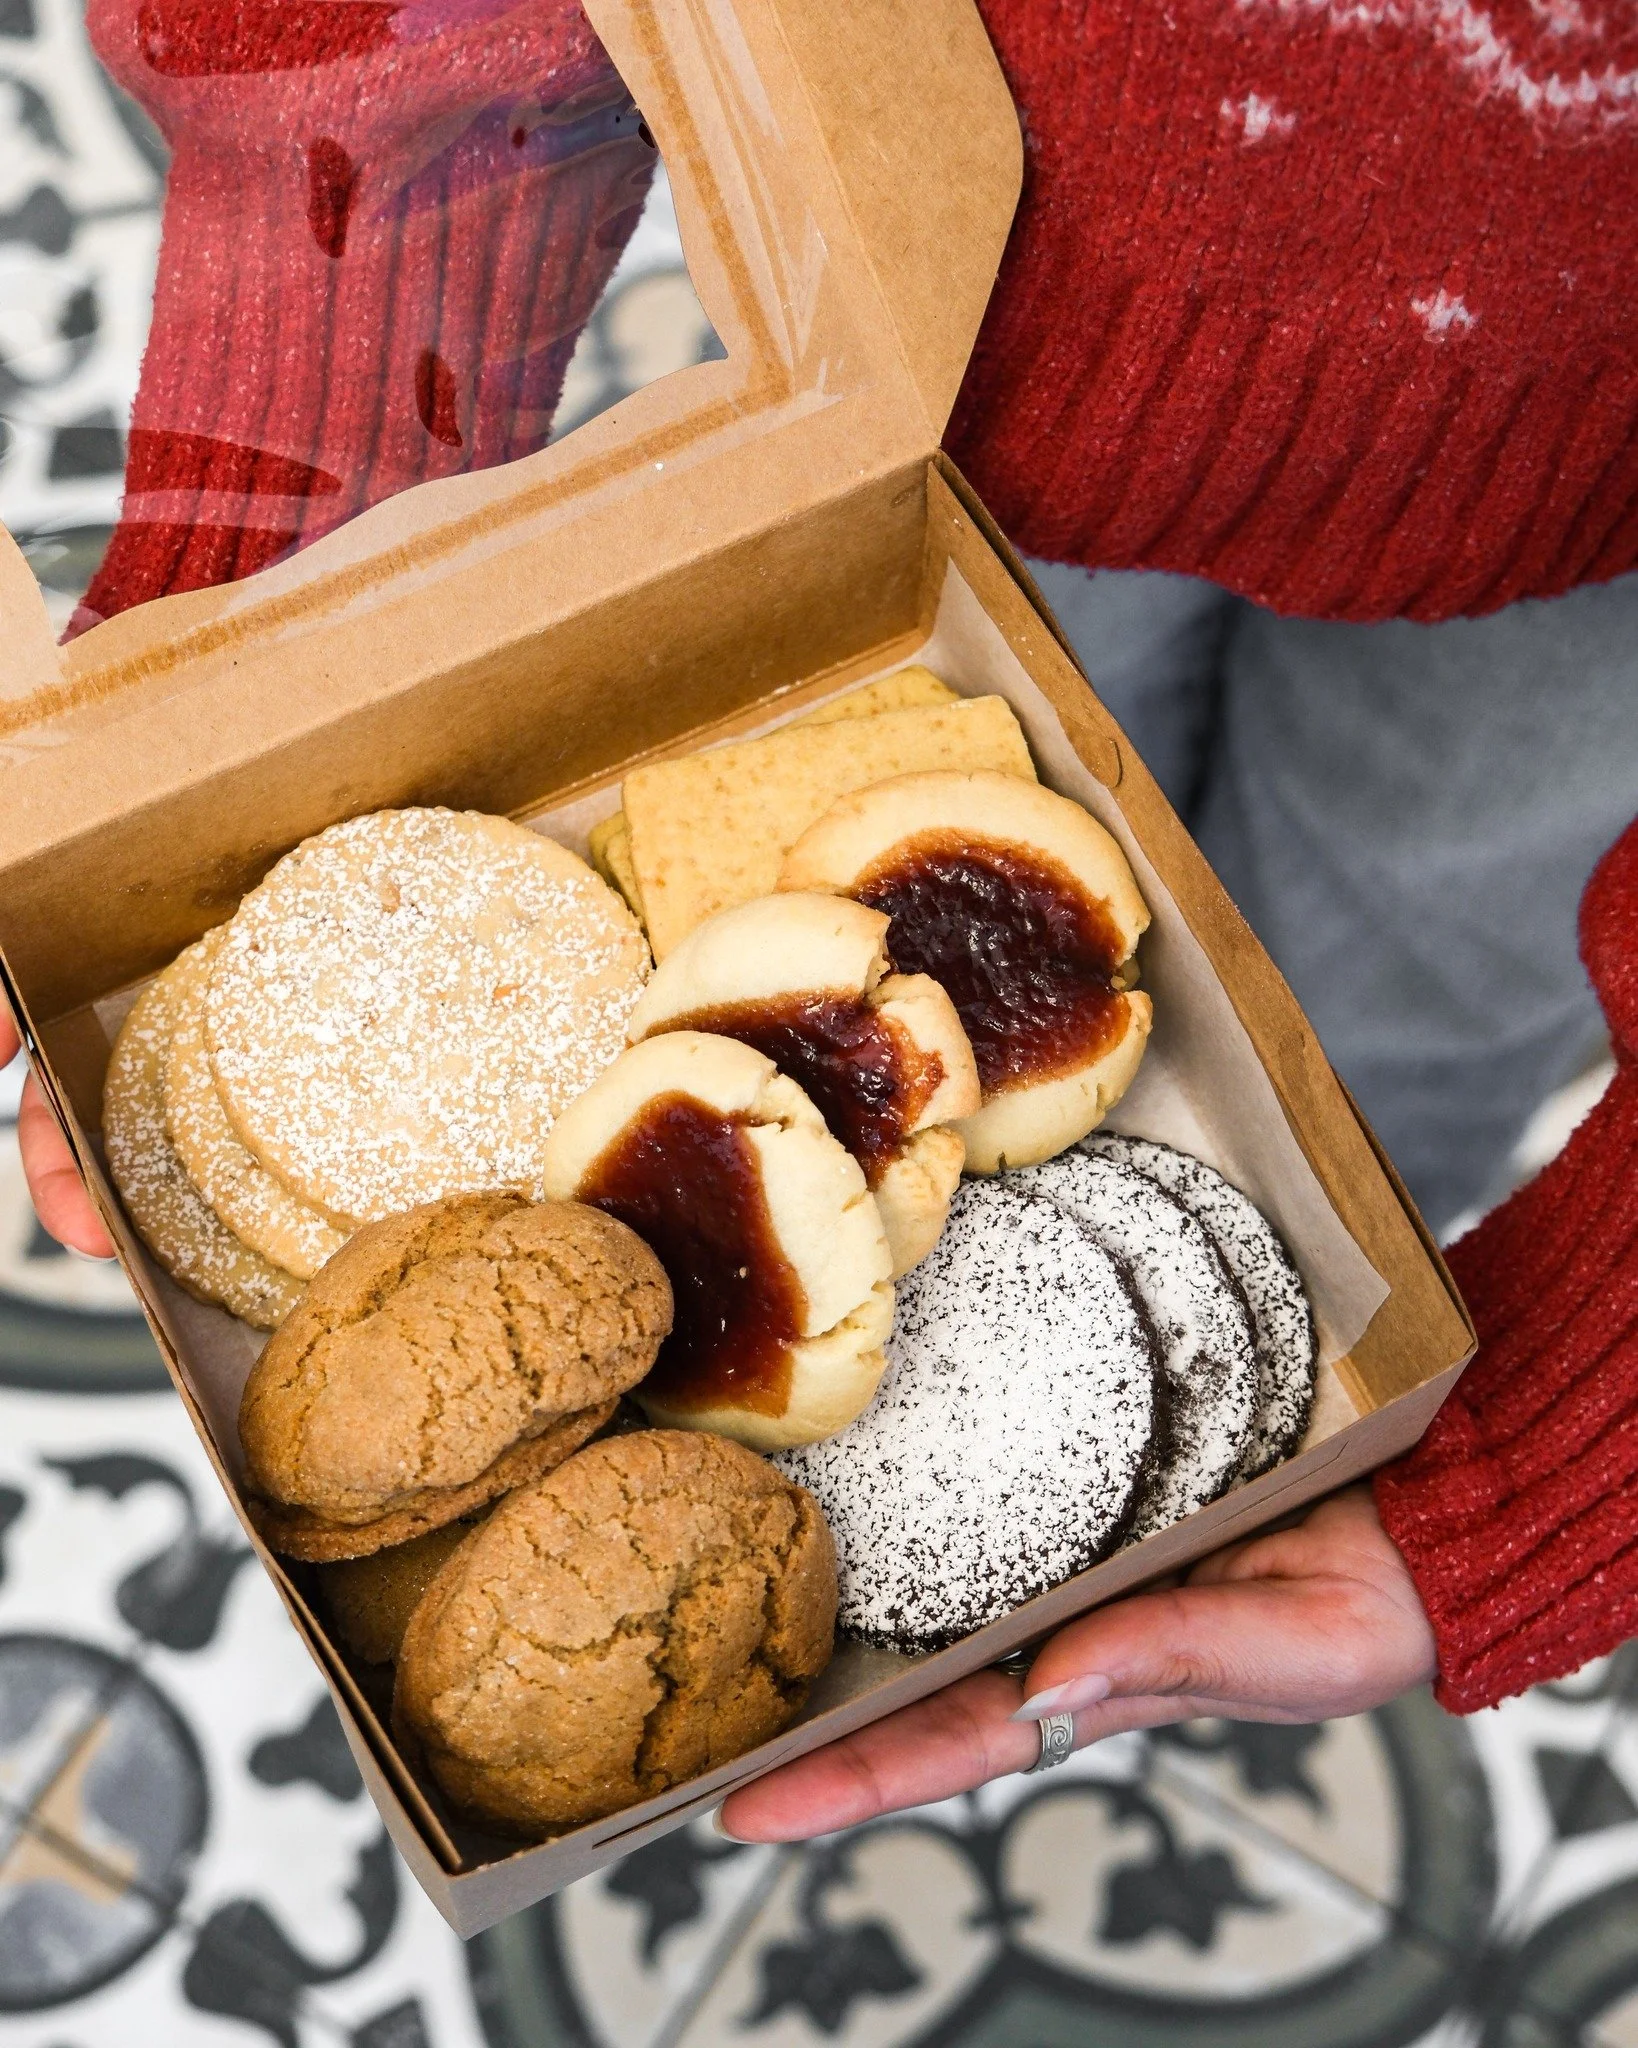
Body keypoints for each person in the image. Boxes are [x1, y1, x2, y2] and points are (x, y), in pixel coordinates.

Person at [7, 0, 1637, 1843]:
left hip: (1601, 557)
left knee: (1386, 1016)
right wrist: (266, 609)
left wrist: (1574, 1421)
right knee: (1096, 760)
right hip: (979, 353)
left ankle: (1363, 1171)